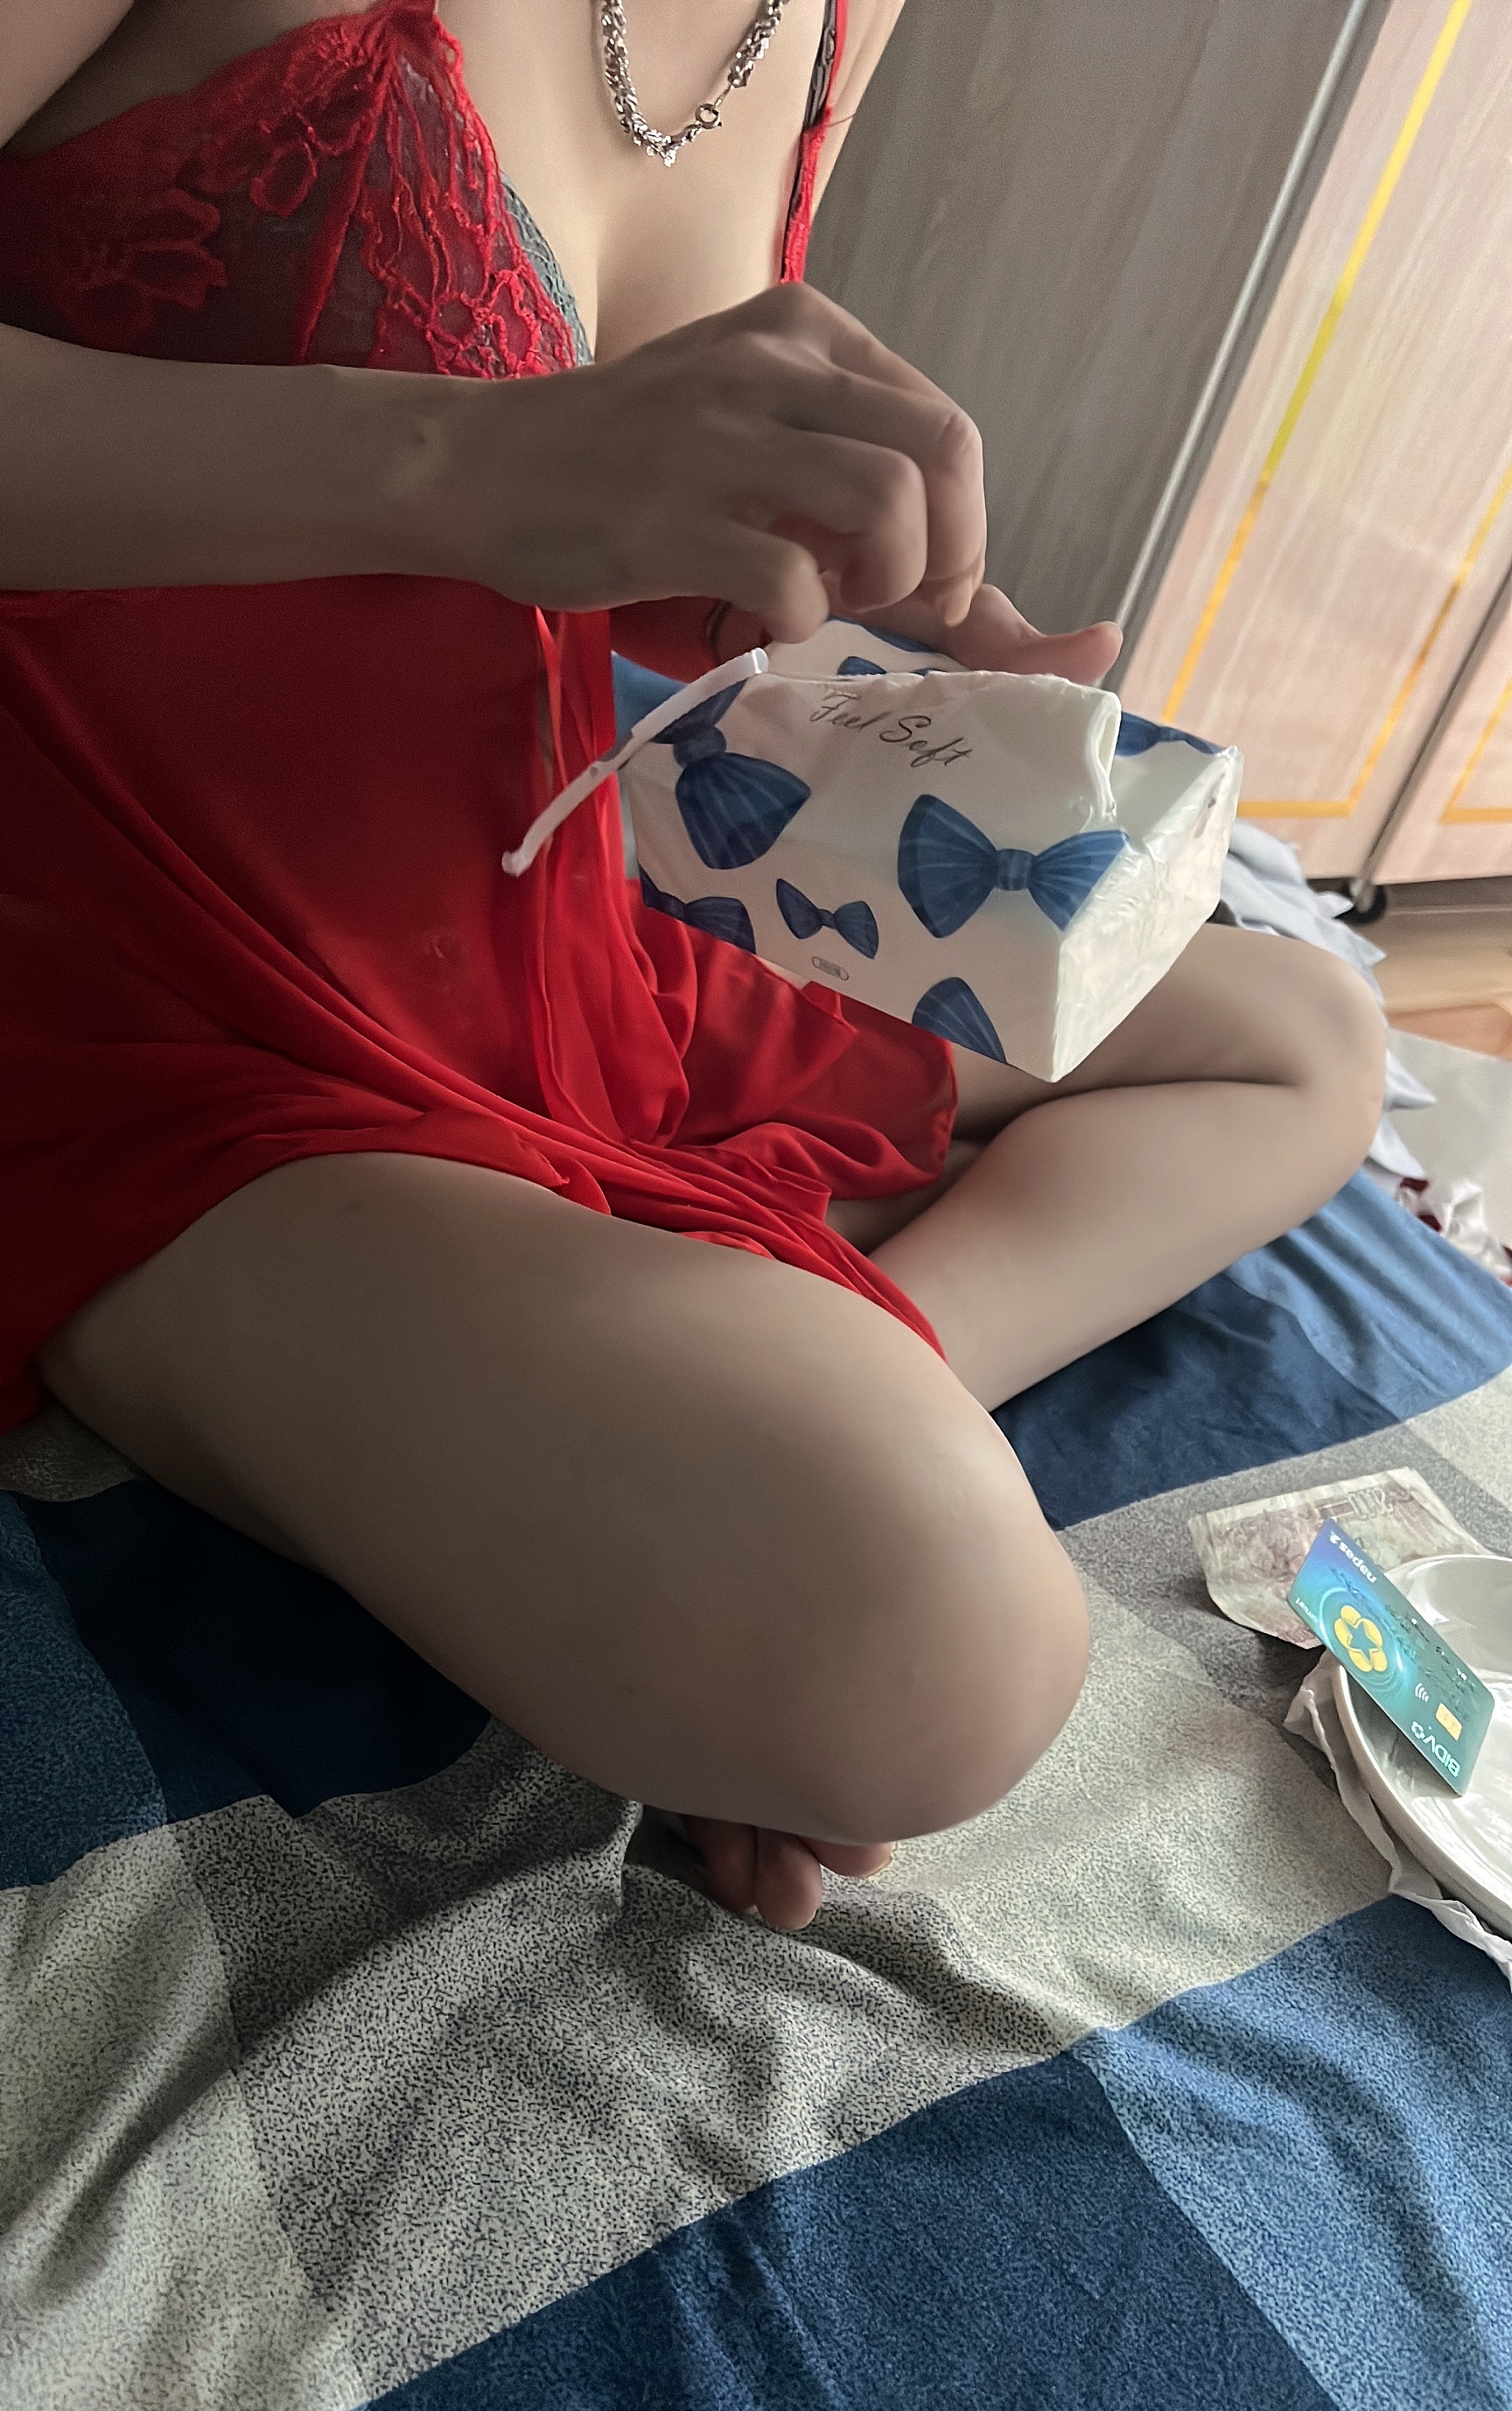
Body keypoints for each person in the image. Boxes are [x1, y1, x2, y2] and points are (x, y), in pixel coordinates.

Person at [0, 1, 1385, 1931]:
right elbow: (472, 454)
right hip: (155, 985)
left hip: (559, 928)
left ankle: (845, 1374)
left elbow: (582, 516)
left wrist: (823, 599)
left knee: (1307, 1031)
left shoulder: (826, 19)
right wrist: (450, 462)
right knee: (944, 1636)